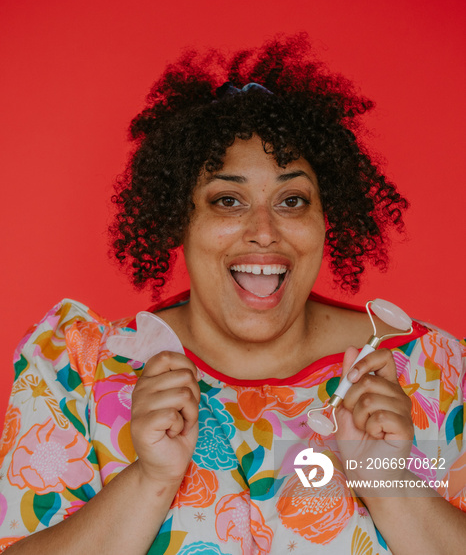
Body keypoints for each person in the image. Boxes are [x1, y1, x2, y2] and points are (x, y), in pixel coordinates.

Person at [0, 34, 464, 554]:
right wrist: (150, 480)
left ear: (326, 219)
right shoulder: (75, 372)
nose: (264, 230)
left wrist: (390, 488)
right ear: (180, 219)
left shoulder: (427, 370)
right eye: (228, 200)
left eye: (292, 200)